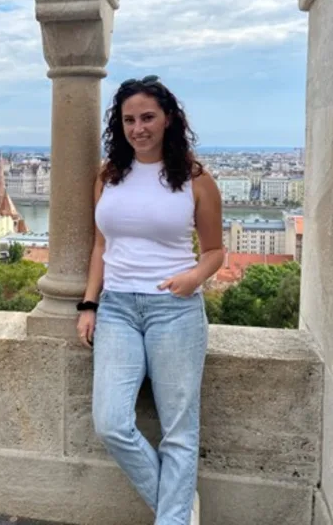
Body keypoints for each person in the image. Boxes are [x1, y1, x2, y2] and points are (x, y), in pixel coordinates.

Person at [76, 75, 224, 525]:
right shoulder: (108, 175)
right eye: (128, 120)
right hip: (118, 307)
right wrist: (89, 304)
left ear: (168, 120)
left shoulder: (197, 181)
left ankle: (173, 520)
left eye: (147, 117)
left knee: (179, 430)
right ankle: (177, 504)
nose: (138, 128)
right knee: (111, 422)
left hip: (174, 309)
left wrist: (192, 277)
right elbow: (101, 246)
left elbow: (215, 251)